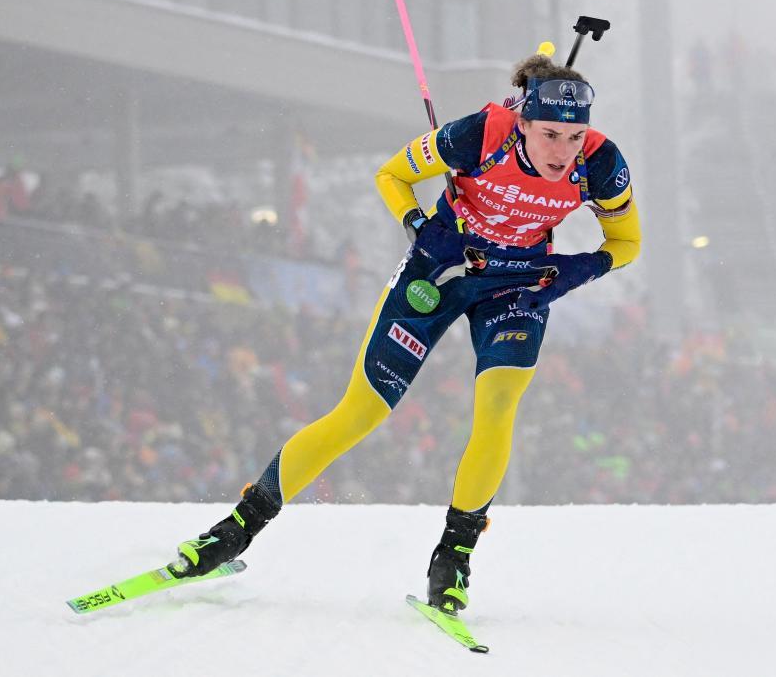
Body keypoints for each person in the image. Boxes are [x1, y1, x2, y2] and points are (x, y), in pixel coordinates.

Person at [168, 53, 642, 615]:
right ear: (522, 122)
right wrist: (418, 225)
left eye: (574, 137)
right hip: (439, 272)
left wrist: (572, 271)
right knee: (361, 411)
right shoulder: (478, 135)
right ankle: (236, 530)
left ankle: (453, 561)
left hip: (517, 285)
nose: (564, 153)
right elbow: (391, 175)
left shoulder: (602, 163)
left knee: (497, 406)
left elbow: (626, 243)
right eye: (550, 135)